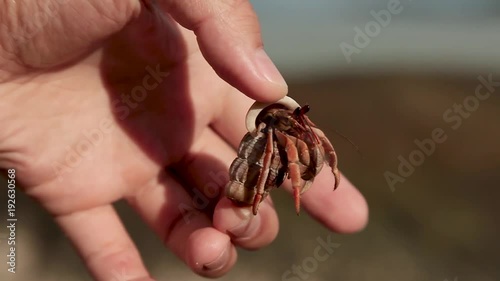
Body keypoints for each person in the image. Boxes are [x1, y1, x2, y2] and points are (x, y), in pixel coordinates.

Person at [0, 1, 368, 280]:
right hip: (264, 143)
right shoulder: (274, 133)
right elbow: (281, 145)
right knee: (280, 156)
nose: (302, 129)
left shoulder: (293, 127)